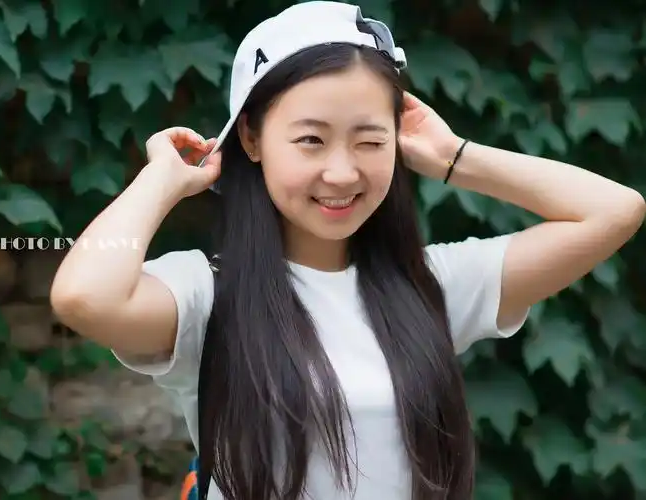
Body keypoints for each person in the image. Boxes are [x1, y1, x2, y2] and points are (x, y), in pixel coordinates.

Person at [49, 2, 645, 500]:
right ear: (251, 137)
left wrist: (454, 156)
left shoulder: (433, 285)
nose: (341, 172)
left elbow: (614, 211)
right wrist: (163, 178)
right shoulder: (207, 295)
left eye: (369, 141)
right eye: (310, 140)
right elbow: (83, 296)